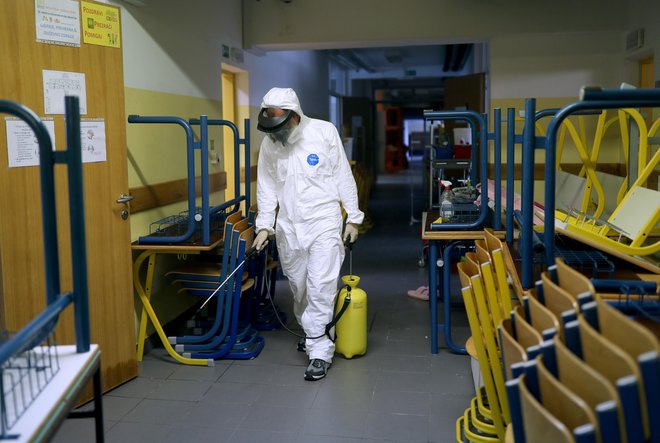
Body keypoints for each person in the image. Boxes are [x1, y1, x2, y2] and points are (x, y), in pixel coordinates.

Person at [253, 87, 363, 381]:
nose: (275, 131)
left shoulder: (324, 133)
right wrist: (265, 225)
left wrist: (353, 218)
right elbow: (265, 187)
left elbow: (343, 175)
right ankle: (314, 331)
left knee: (320, 287)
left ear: (294, 116)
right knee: (299, 287)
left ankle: (319, 352)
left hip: (323, 223)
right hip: (289, 227)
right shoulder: (270, 144)